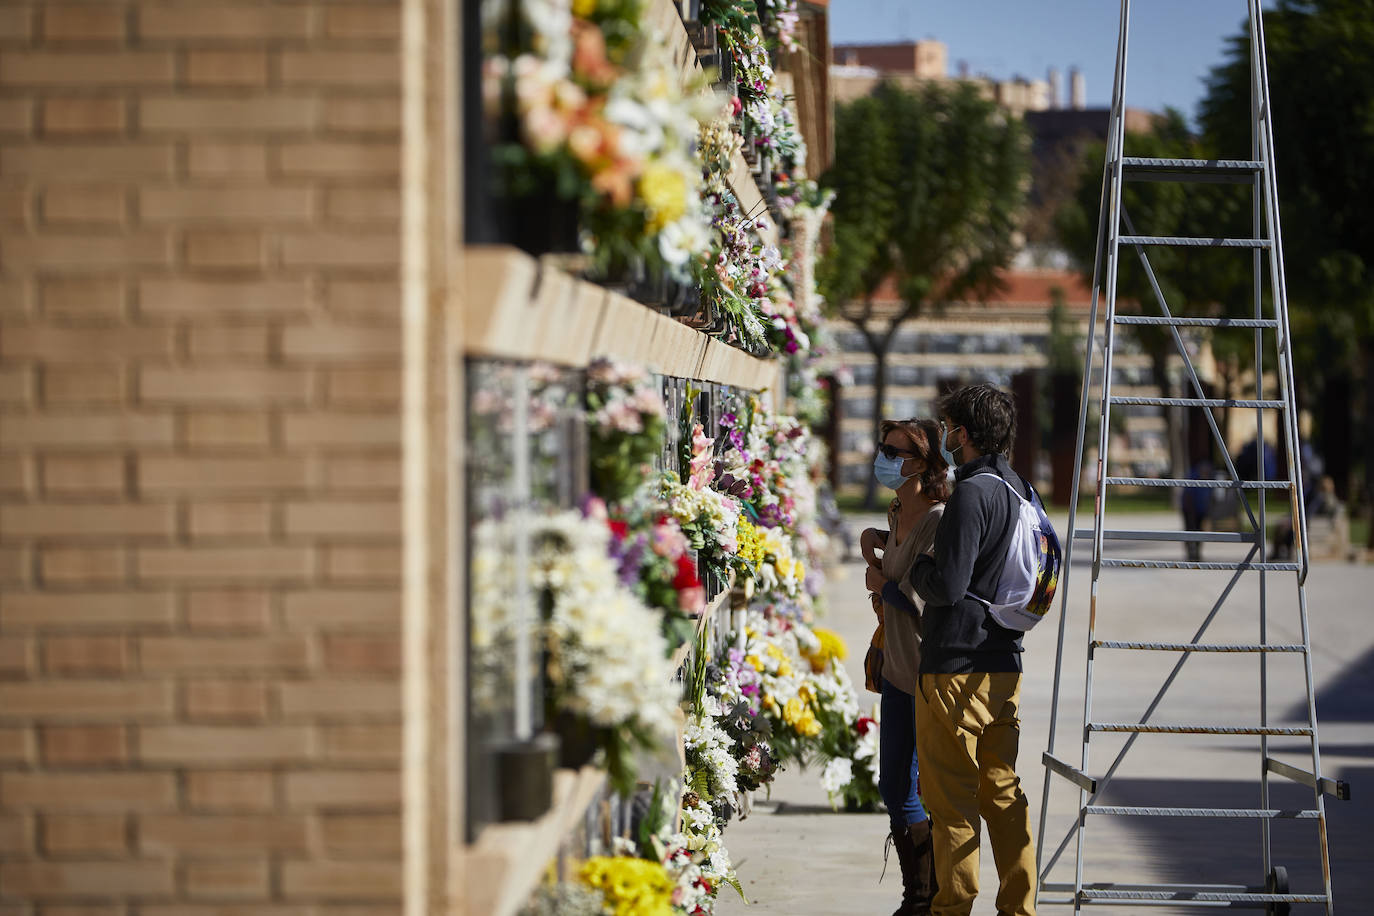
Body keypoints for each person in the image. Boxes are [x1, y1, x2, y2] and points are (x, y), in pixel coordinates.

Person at [906, 383, 1038, 916]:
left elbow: (948, 585)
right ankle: (1019, 907)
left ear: (963, 432)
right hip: (1004, 666)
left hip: (955, 670)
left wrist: (916, 565)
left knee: (952, 801)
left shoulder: (973, 491)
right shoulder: (1020, 487)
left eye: (949, 428)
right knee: (1002, 795)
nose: (946, 437)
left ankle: (952, 908)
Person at [861, 418, 950, 916]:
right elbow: (889, 562)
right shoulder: (898, 512)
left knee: (911, 789)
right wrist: (872, 539)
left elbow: (928, 598)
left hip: (924, 675)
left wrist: (882, 586)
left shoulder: (938, 520)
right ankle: (917, 893)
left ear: (923, 463)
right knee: (892, 786)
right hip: (895, 670)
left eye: (895, 452)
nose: (885, 458)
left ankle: (925, 896)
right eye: (884, 448)